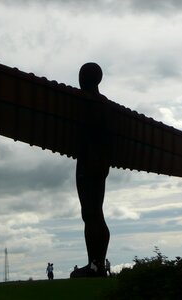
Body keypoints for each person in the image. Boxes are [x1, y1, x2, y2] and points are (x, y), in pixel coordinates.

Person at [70, 63, 110, 278]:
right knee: (95, 213)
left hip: (88, 161)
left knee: (91, 213)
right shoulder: (105, 104)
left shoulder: (85, 101)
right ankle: (97, 263)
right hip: (101, 162)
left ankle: (95, 265)